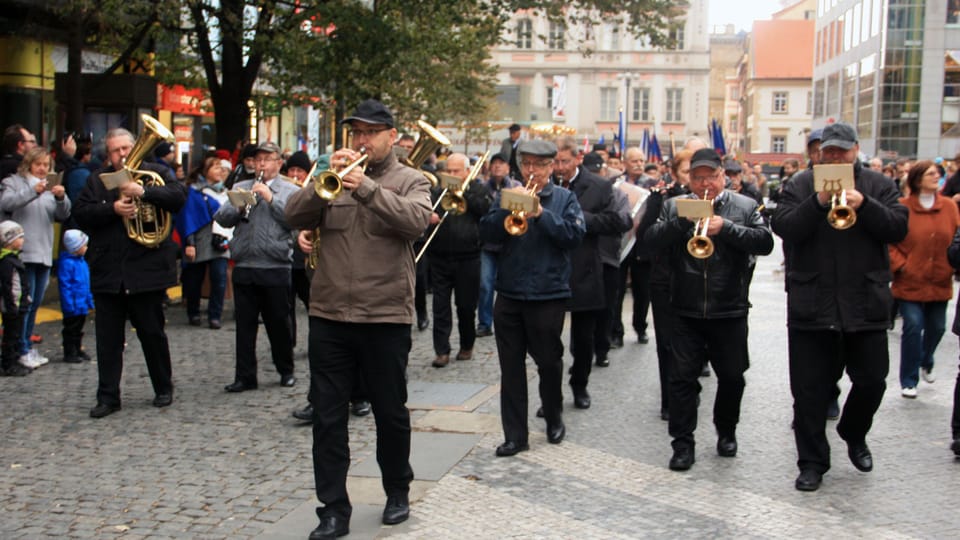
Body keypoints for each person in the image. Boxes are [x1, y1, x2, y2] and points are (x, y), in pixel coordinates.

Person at [284, 99, 431, 538]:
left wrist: (365, 186)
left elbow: (416, 222)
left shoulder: (412, 179)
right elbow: (292, 215)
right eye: (357, 133)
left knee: (390, 412)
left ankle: (397, 489)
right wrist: (320, 183)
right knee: (328, 417)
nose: (362, 141)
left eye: (370, 132)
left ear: (392, 137)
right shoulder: (332, 179)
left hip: (385, 314)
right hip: (330, 313)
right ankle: (332, 509)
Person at [771, 122, 908, 491]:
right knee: (809, 392)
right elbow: (783, 226)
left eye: (841, 151)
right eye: (827, 150)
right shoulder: (800, 184)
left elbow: (897, 228)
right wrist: (817, 203)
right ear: (818, 153)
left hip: (865, 302)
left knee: (872, 381)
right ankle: (812, 462)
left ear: (855, 150)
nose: (833, 156)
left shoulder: (879, 185)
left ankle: (853, 430)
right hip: (812, 304)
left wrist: (865, 205)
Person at [645, 148, 773, 472]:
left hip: (728, 308)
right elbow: (651, 241)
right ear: (689, 178)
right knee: (681, 380)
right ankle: (682, 444)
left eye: (710, 177)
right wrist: (680, 223)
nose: (704, 184)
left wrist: (726, 228)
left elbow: (765, 242)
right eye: (697, 177)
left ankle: (726, 428)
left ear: (722, 176)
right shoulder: (674, 205)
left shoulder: (743, 206)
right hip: (684, 309)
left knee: (732, 378)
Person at [479, 139, 585, 457]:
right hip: (510, 292)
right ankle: (515, 435)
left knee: (549, 362)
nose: (531, 170)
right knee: (510, 368)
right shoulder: (507, 195)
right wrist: (505, 213)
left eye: (539, 165)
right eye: (526, 164)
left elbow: (574, 237)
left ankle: (553, 415)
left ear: (551, 167)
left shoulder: (565, 198)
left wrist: (540, 214)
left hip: (548, 293)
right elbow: (486, 232)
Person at [73, 126, 187, 418]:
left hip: (145, 270)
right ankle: (108, 396)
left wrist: (144, 192)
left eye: (126, 148)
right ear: (107, 154)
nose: (123, 155)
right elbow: (81, 214)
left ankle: (163, 387)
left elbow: (178, 197)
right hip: (108, 271)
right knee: (108, 340)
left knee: (152, 333)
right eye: (116, 150)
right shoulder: (97, 180)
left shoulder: (154, 171)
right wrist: (112, 209)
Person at [552, 137, 630, 409]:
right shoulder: (546, 184)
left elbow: (618, 222)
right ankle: (551, 394)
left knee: (583, 339)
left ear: (577, 160)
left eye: (564, 161)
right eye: (555, 161)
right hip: (551, 269)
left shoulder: (599, 185)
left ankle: (580, 385)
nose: (559, 167)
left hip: (585, 268)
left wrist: (580, 218)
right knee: (548, 339)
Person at [214, 142, 298, 393]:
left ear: (279, 163)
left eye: (267, 159)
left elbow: (294, 219)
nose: (261, 164)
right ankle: (245, 376)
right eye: (257, 159)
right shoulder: (241, 186)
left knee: (278, 323)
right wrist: (238, 206)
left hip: (275, 264)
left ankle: (286, 369)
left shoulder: (290, 190)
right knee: (245, 326)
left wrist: (271, 199)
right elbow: (222, 218)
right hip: (245, 263)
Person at [889, 161, 960, 399]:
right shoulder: (902, 207)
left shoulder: (949, 207)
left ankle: (926, 358)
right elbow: (890, 242)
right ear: (918, 179)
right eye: (930, 173)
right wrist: (901, 265)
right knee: (913, 326)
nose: (936, 176)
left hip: (940, 278)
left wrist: (952, 265)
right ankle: (909, 379)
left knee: (938, 327)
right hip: (909, 280)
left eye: (937, 174)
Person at [0, 147, 71, 367]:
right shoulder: (13, 182)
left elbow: (63, 214)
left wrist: (61, 198)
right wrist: (34, 191)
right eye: (38, 164)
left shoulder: (50, 187)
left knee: (35, 302)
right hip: (22, 251)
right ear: (29, 164)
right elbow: (6, 203)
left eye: (46, 165)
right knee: (23, 304)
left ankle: (26, 345)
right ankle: (19, 348)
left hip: (44, 250)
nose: (42, 169)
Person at [424, 153, 492, 367]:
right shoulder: (437, 190)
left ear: (466, 172)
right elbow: (429, 211)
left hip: (468, 257)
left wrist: (465, 193)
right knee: (440, 306)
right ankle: (441, 351)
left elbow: (485, 211)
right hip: (440, 256)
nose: (452, 175)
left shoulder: (478, 189)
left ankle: (466, 345)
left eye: (456, 171)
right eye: (449, 171)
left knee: (465, 306)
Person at [643, 149, 693, 420]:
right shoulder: (660, 197)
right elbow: (646, 236)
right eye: (686, 172)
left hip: (696, 280)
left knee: (693, 344)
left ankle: (688, 391)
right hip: (665, 278)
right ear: (674, 174)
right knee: (666, 344)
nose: (692, 178)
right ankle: (669, 399)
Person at [177, 156, 231, 330]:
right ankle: (193, 311)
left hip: (220, 240)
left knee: (219, 278)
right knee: (194, 280)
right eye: (215, 167)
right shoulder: (194, 192)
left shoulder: (226, 192)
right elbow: (188, 218)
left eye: (221, 168)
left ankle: (214, 315)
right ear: (205, 171)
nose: (220, 171)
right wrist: (189, 243)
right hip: (200, 241)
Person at [612, 147, 655, 346]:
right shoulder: (616, 184)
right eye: (634, 160)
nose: (638, 164)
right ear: (625, 163)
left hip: (643, 247)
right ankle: (616, 331)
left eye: (641, 160)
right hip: (621, 245)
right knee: (617, 290)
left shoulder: (653, 185)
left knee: (642, 291)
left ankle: (640, 327)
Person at [477, 153, 520, 338]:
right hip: (488, 245)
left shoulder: (517, 188)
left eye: (501, 164)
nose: (497, 167)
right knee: (485, 284)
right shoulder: (482, 187)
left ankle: (510, 321)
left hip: (509, 244)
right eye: (494, 164)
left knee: (509, 285)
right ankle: (485, 323)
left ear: (508, 168)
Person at [58, 229, 94, 363]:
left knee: (78, 329)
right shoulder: (67, 263)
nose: (86, 248)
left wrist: (89, 300)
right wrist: (68, 305)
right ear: (76, 247)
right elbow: (65, 286)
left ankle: (77, 348)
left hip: (81, 303)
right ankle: (69, 351)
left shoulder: (82, 262)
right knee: (71, 329)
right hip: (73, 305)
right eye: (84, 245)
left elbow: (86, 283)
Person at [0, 221, 30, 376]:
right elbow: (7, 286)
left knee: (16, 334)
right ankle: (8, 363)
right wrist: (12, 305)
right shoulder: (7, 262)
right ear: (10, 241)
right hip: (12, 305)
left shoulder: (15, 259)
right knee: (10, 336)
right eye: (20, 237)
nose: (23, 240)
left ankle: (14, 360)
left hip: (19, 303)